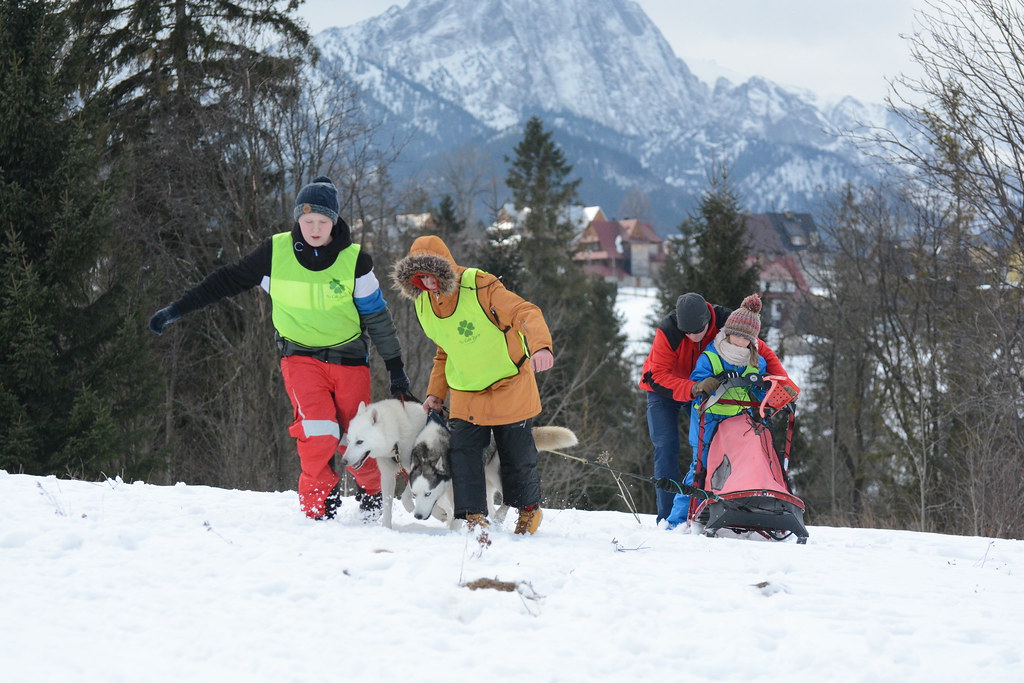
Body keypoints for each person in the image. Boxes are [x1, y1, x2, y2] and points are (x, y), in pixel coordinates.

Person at [147, 176, 411, 521]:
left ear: (335, 221)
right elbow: (226, 280)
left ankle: (375, 498)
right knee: (317, 431)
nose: (314, 229)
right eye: (307, 221)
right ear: (297, 220)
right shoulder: (276, 252)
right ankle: (319, 508)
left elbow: (377, 317)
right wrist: (176, 310)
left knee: (355, 435)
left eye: (322, 221)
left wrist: (396, 369)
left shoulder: (355, 260)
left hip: (349, 360)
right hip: (300, 359)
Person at [391, 235, 554, 534]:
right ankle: (473, 517)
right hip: (467, 390)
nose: (427, 284)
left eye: (431, 275)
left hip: (509, 382)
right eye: (419, 278)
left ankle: (529, 511)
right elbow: (445, 350)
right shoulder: (424, 306)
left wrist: (541, 346)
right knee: (463, 453)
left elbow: (525, 312)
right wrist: (435, 394)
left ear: (445, 269)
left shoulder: (480, 286)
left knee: (516, 455)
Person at [639, 292, 788, 524]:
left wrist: (782, 383)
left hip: (706, 390)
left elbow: (761, 350)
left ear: (708, 321)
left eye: (697, 331)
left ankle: (710, 506)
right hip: (666, 390)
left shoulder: (727, 322)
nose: (691, 337)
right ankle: (668, 518)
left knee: (709, 450)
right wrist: (693, 387)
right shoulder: (668, 330)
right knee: (666, 447)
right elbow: (657, 375)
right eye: (686, 332)